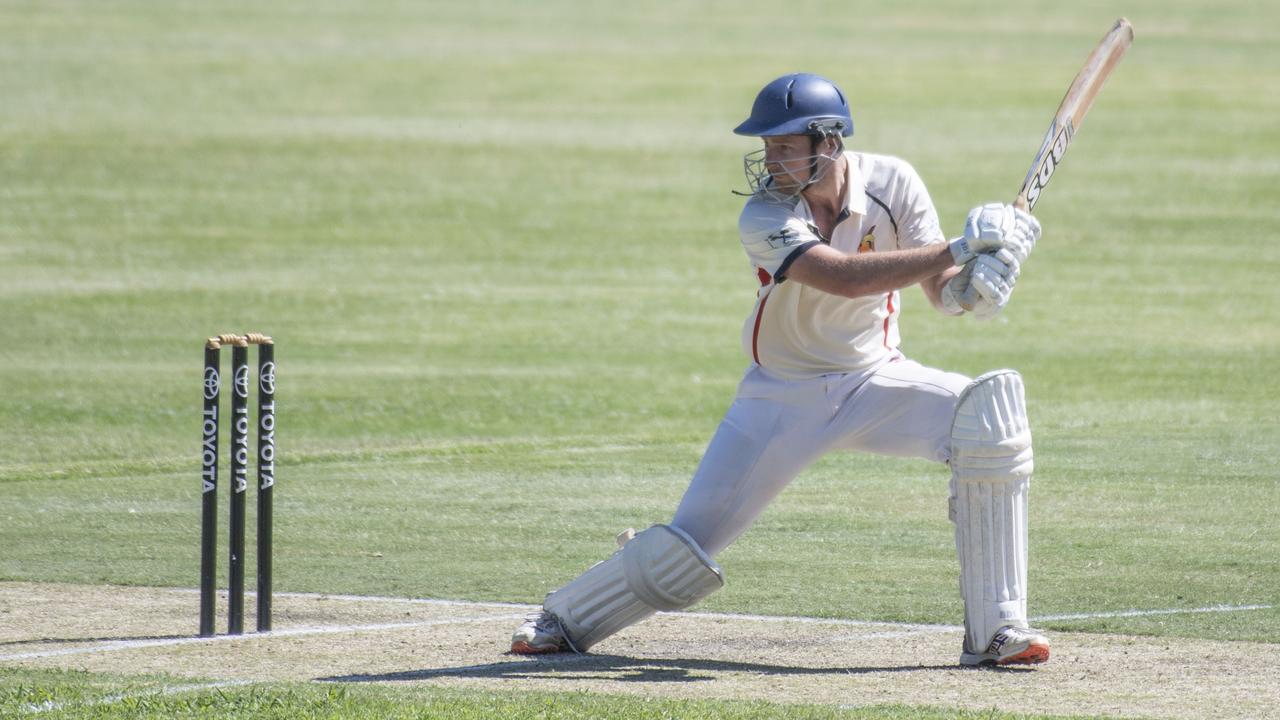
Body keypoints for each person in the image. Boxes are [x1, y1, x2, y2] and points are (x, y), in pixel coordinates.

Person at [510, 73, 1049, 666]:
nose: (770, 159)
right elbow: (844, 278)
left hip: (876, 381)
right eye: (766, 146)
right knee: (685, 548)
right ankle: (562, 618)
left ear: (829, 142)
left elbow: (941, 293)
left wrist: (975, 290)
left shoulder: (895, 181)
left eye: (783, 145)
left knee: (989, 420)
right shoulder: (763, 215)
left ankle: (999, 631)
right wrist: (959, 248)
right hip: (780, 399)